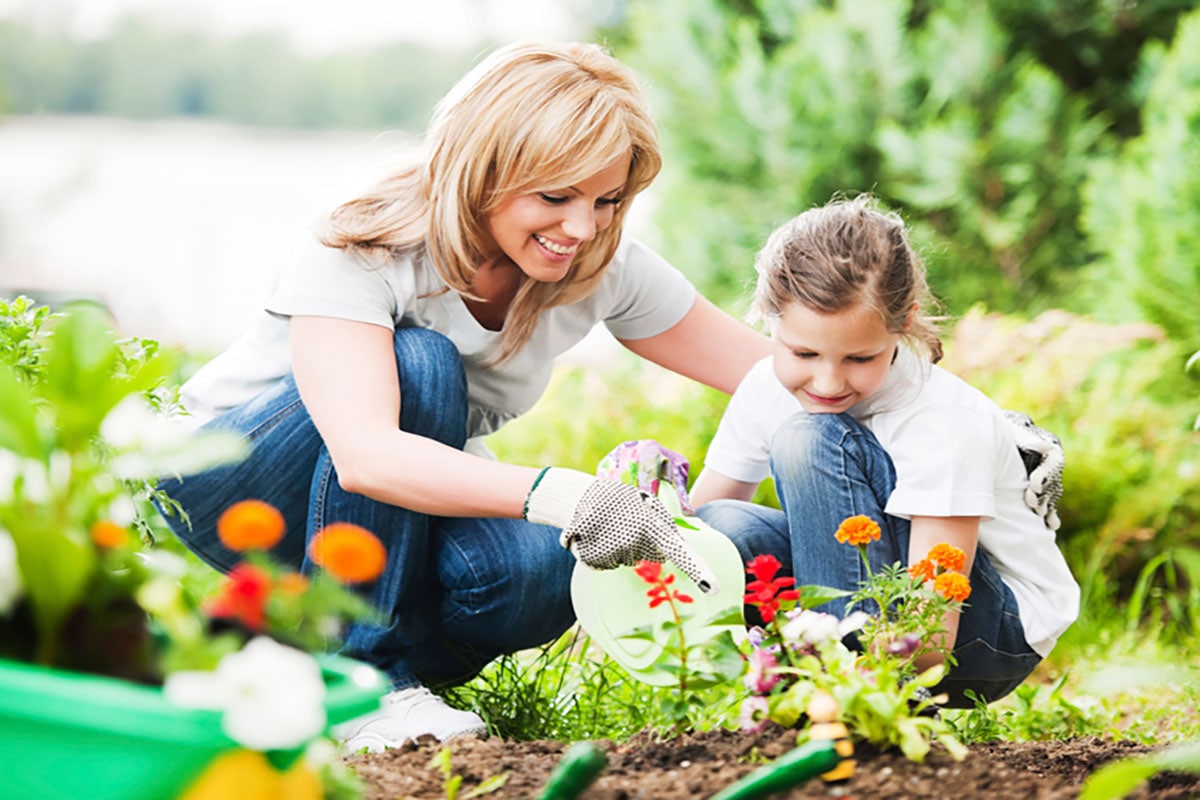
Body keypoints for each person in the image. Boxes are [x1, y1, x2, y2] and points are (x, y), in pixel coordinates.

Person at [157, 40, 771, 752]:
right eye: (555, 196)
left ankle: (290, 667)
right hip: (233, 484)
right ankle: (359, 682)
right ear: (484, 170)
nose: (582, 226)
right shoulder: (366, 241)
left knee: (542, 569)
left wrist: (893, 398)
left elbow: (776, 378)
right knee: (420, 363)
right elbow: (367, 457)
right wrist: (575, 496)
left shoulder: (599, 262)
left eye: (606, 199)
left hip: (378, 525)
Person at [689, 195, 1080, 707]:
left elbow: (933, 642)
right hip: (874, 599)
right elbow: (692, 530)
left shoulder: (943, 422)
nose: (827, 382)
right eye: (804, 352)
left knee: (810, 436)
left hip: (985, 633)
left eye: (859, 357)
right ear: (769, 316)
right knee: (721, 529)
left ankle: (844, 694)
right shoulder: (767, 385)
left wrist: (872, 691)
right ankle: (816, 677)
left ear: (904, 324)